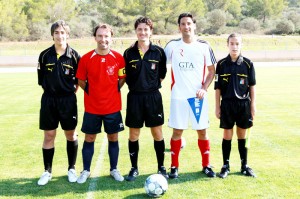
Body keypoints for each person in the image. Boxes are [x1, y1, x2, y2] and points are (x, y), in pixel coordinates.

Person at [164, 13, 216, 178]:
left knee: (202, 131)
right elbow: (159, 65)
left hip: (197, 99)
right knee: (177, 131)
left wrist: (204, 88)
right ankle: (174, 167)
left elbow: (212, 71)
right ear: (179, 27)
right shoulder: (172, 46)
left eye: (189, 23)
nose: (186, 27)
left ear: (194, 25)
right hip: (178, 97)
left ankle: (206, 165)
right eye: (183, 24)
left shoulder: (204, 46)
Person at [76, 23, 126, 184]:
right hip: (92, 108)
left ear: (111, 38)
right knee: (89, 138)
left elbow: (122, 79)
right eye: (100, 36)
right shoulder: (86, 58)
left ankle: (114, 169)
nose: (103, 39)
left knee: (113, 137)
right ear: (95, 38)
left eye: (106, 36)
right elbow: (81, 80)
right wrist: (93, 92)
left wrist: (111, 91)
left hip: (112, 107)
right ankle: (85, 170)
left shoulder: (119, 58)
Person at [123, 17, 168, 181]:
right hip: (134, 97)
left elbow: (162, 75)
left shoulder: (159, 52)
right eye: (139, 29)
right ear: (136, 31)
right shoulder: (128, 53)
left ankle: (161, 167)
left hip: (153, 97)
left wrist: (150, 86)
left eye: (146, 29)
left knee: (157, 132)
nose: (143, 32)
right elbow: (125, 75)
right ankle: (134, 168)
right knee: (134, 134)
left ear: (151, 31)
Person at [37, 20, 81, 186]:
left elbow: (79, 81)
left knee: (70, 134)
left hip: (68, 100)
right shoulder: (44, 55)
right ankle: (47, 171)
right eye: (56, 32)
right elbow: (41, 81)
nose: (59, 35)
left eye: (62, 32)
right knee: (49, 135)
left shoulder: (75, 56)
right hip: (49, 100)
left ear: (67, 35)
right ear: (52, 35)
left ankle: (71, 168)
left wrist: (67, 93)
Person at [214, 33, 256, 178]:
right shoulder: (221, 64)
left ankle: (244, 165)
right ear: (228, 45)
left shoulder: (248, 64)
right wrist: (217, 106)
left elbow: (252, 87)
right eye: (232, 43)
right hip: (226, 104)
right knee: (227, 134)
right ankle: (225, 165)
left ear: (241, 45)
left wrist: (253, 107)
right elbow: (217, 88)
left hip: (244, 104)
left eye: (237, 43)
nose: (234, 46)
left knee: (241, 135)